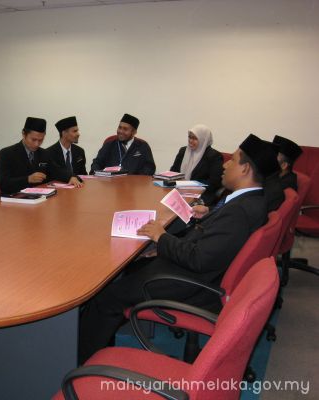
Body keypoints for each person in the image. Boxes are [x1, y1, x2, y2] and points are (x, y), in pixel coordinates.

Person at [78, 134, 280, 363]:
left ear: (245, 169)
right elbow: (214, 241)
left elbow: (199, 258)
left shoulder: (239, 212)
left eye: (232, 160)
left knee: (106, 295)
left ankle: (82, 359)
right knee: (129, 267)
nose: (225, 165)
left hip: (190, 282)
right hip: (198, 272)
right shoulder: (252, 201)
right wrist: (167, 243)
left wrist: (162, 237)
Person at [0, 117, 80, 194]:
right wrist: (27, 179)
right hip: (14, 198)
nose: (37, 144)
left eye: (40, 140)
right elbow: (3, 184)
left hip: (39, 197)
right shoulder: (7, 154)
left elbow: (57, 170)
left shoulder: (44, 153)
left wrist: (71, 177)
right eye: (33, 140)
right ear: (24, 134)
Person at [169, 124, 223, 206]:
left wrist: (190, 185)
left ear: (203, 140)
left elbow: (214, 182)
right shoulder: (183, 151)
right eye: (189, 137)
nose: (190, 140)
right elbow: (173, 171)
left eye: (194, 138)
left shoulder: (214, 156)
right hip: (178, 191)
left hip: (201, 195)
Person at [90, 113, 155, 175]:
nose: (121, 131)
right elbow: (96, 163)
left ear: (134, 132)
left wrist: (136, 179)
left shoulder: (142, 146)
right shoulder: (109, 144)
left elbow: (150, 167)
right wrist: (99, 175)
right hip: (111, 181)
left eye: (125, 129)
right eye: (120, 127)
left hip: (133, 182)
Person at [46, 116, 87, 182]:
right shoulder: (49, 153)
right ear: (64, 133)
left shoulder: (79, 151)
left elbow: (83, 175)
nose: (78, 134)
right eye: (75, 131)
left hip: (78, 187)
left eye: (77, 131)